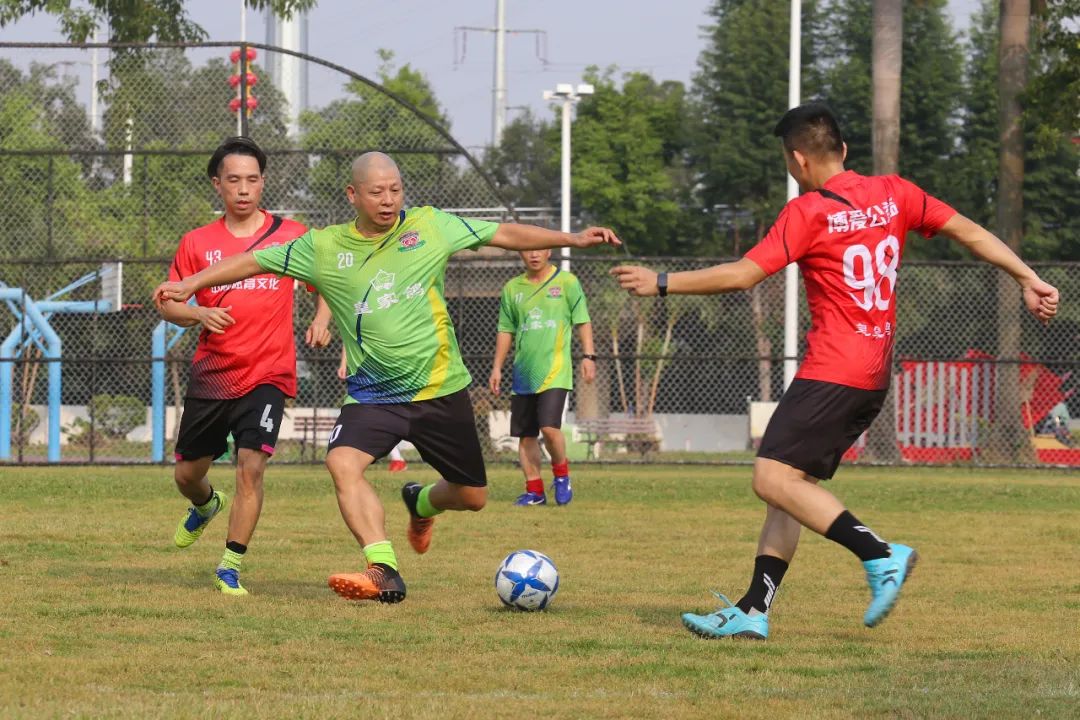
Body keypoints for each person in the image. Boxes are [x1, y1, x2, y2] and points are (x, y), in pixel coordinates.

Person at [612, 103, 1059, 639]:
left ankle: (880, 554)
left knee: (770, 478)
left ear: (797, 160)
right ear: (843, 151)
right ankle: (754, 609)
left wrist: (660, 282)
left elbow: (741, 275)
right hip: (873, 373)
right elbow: (970, 230)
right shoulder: (896, 193)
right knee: (790, 486)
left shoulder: (807, 212)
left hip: (833, 368)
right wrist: (1028, 277)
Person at [155, 151, 620, 604]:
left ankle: (420, 504)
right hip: (372, 395)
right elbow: (254, 261)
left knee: (473, 496)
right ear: (353, 195)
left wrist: (572, 239)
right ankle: (383, 569)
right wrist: (191, 285)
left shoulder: (431, 225)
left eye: (395, 189)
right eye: (376, 191)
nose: (388, 199)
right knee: (341, 463)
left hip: (441, 388)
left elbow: (504, 233)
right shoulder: (324, 246)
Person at [157, 137, 326, 596]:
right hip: (214, 373)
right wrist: (198, 314)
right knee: (187, 475)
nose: (244, 189)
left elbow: (326, 282)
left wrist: (324, 318)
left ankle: (229, 565)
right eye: (234, 180)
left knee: (251, 468)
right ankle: (206, 504)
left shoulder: (292, 235)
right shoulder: (197, 242)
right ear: (218, 185)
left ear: (263, 182)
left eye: (253, 179)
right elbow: (169, 302)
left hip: (269, 374)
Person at [489, 248, 596, 506]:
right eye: (527, 250)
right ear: (520, 254)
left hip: (555, 372)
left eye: (539, 249)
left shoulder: (567, 282)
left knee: (549, 428)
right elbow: (506, 329)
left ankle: (561, 475)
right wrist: (497, 367)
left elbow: (582, 321)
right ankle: (535, 492)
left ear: (549, 251)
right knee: (526, 436)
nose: (534, 255)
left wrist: (588, 356)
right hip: (524, 373)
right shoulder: (512, 288)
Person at [337, 345, 408, 471]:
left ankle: (397, 459)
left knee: (385, 418)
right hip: (363, 377)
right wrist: (343, 364)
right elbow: (347, 340)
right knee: (376, 418)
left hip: (383, 371)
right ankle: (396, 459)